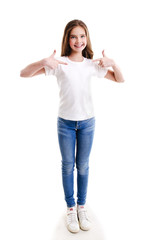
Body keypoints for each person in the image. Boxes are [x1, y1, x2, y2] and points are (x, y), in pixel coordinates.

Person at [20, 19, 124, 233]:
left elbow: (120, 80)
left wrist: (113, 63)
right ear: (68, 39)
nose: (79, 40)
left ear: (87, 38)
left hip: (87, 123)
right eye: (74, 36)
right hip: (65, 124)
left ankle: (81, 207)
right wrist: (42, 61)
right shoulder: (59, 64)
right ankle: (70, 208)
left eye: (82, 36)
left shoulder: (92, 64)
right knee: (68, 165)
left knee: (83, 165)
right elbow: (24, 73)